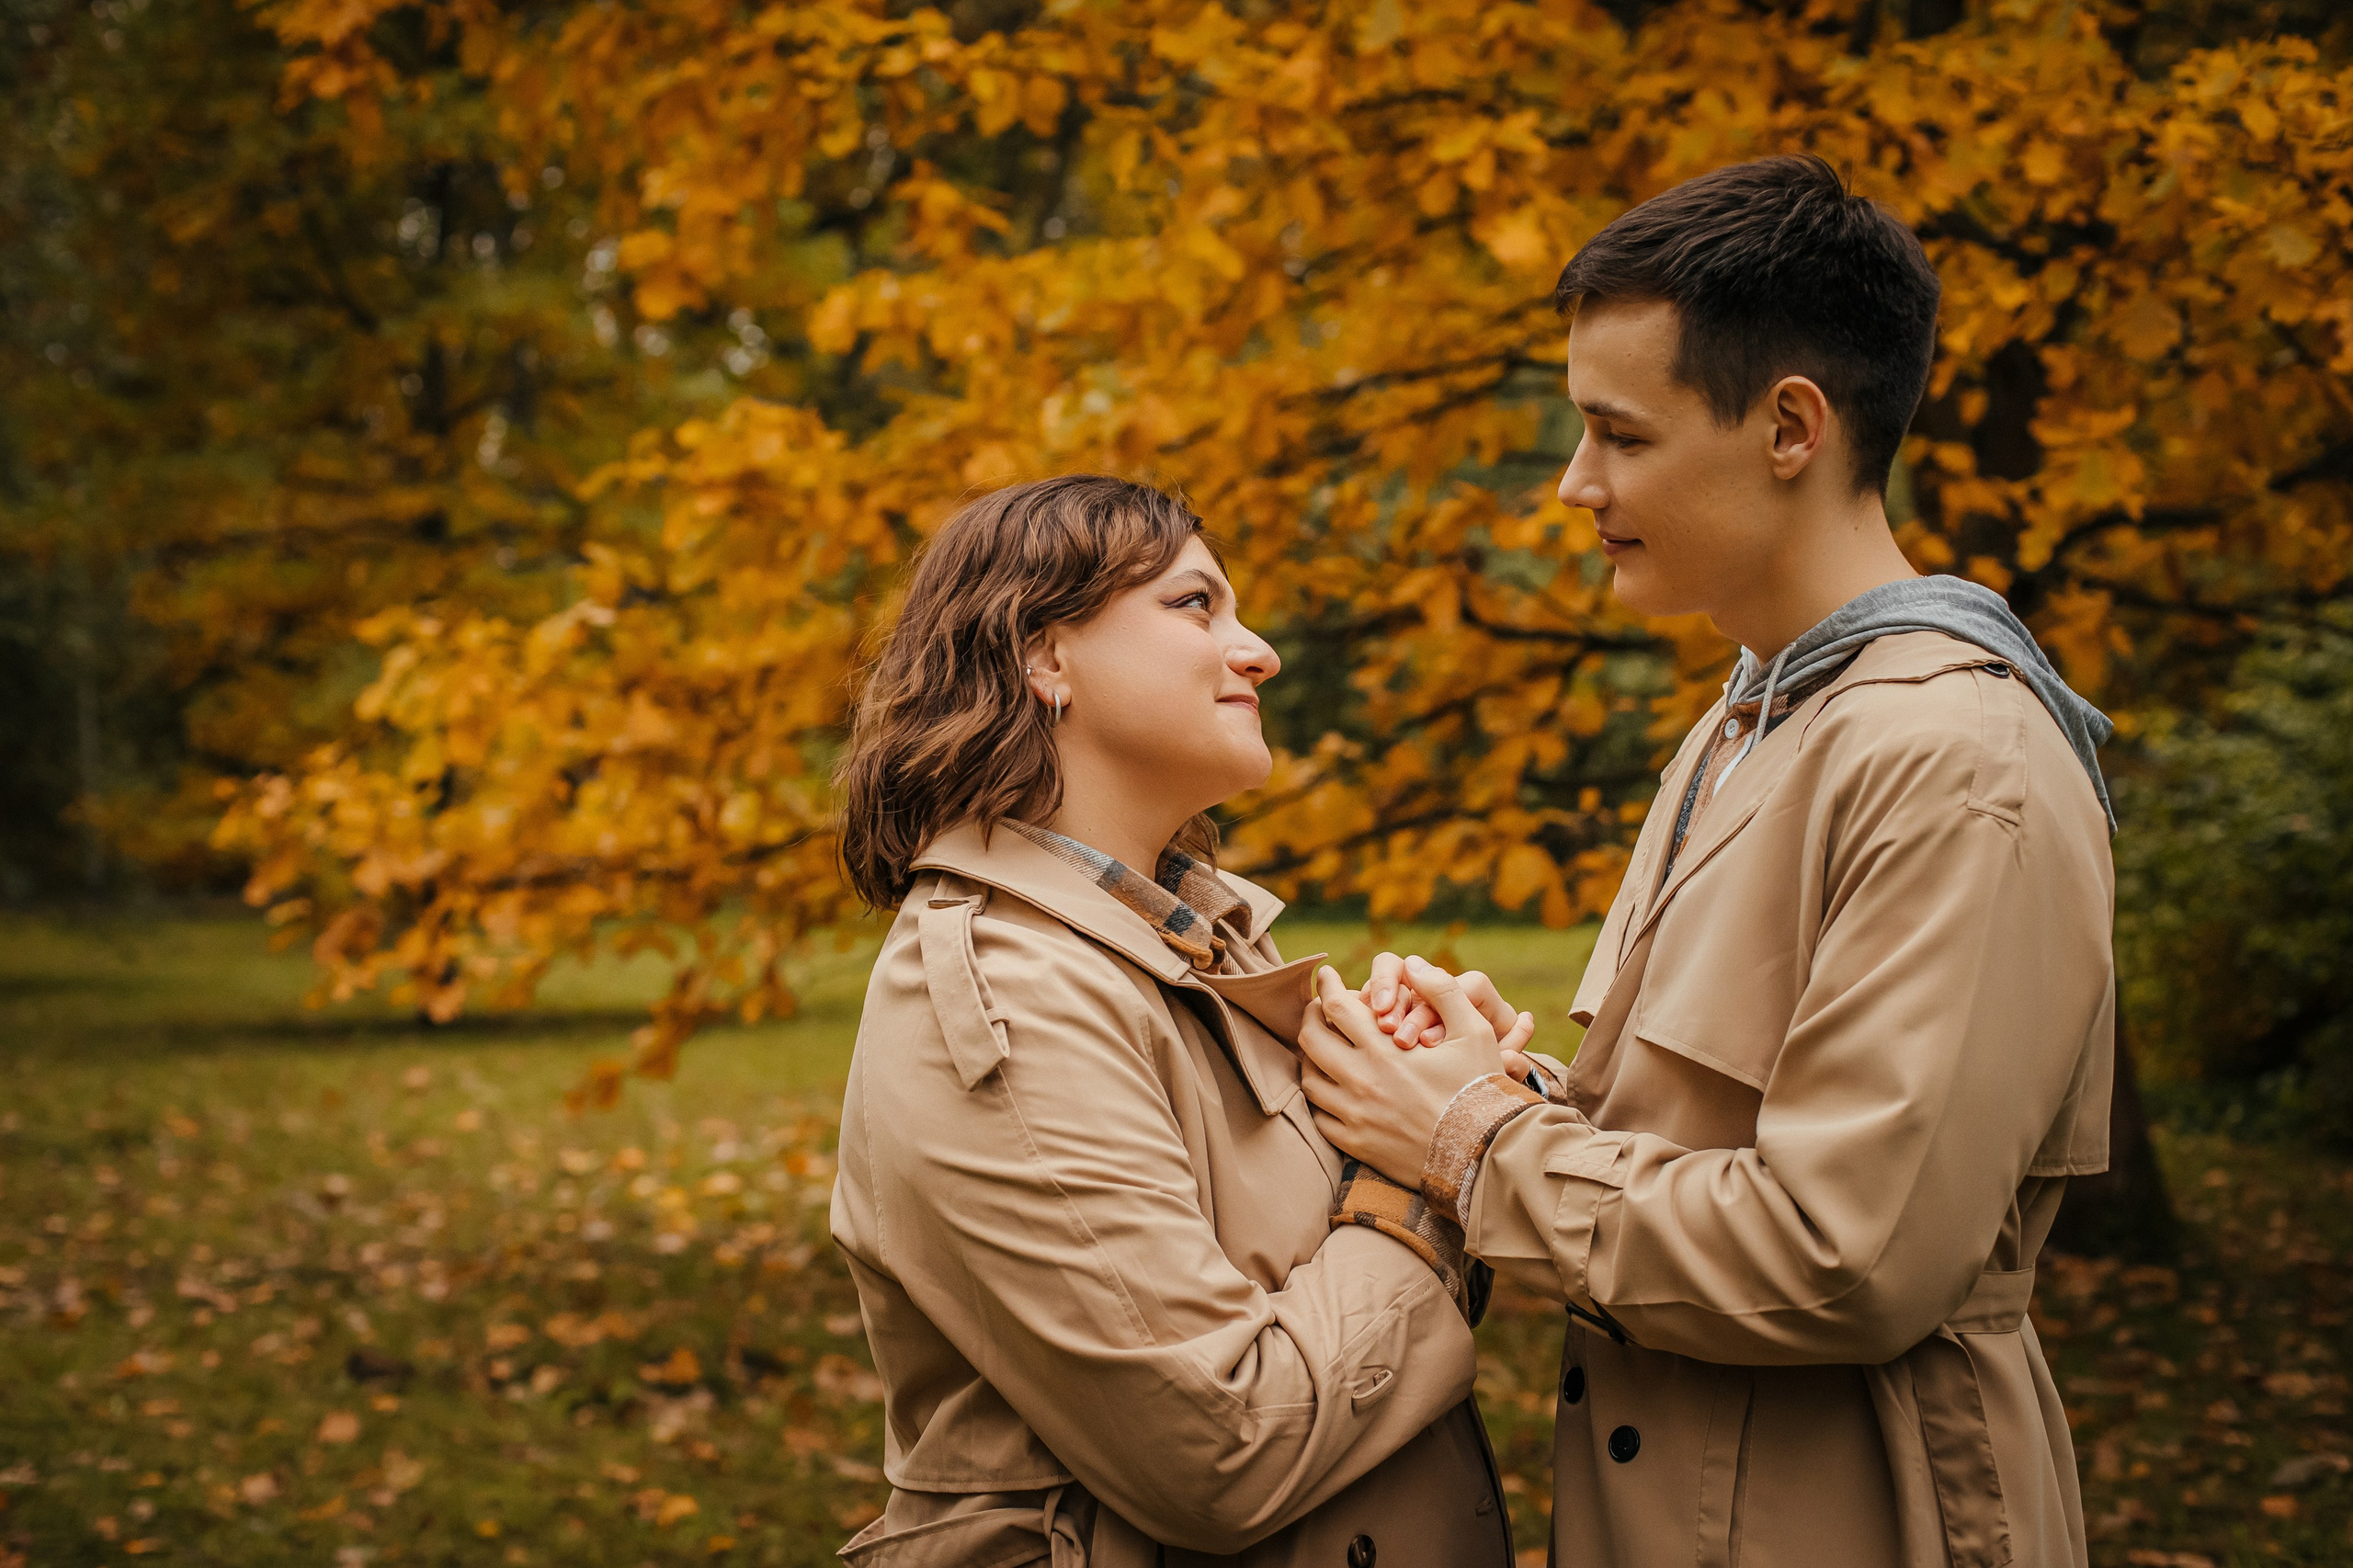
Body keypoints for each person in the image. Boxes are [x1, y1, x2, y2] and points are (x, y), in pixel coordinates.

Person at [1298, 155, 2117, 1568]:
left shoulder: (1953, 759)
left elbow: (1849, 1255)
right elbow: (1714, 1135)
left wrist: (1470, 1143)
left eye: (1620, 434)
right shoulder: (1754, 719)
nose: (1575, 484)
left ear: (1791, 425)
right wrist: (1500, 1085)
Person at [827, 475, 1515, 1567]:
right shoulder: (1009, 994)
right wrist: (1420, 1179)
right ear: (1042, 654)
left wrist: (1463, 1088)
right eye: (1196, 605)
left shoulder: (1190, 939)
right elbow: (1222, 1445)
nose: (1260, 653)